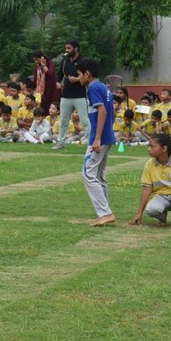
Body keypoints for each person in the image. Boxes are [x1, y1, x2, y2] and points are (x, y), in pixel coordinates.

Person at [77, 57, 116, 227]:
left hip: (99, 138)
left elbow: (102, 111)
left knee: (88, 174)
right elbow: (111, 111)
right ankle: (104, 212)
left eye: (79, 74)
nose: (78, 78)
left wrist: (98, 137)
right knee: (100, 175)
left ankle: (105, 213)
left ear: (87, 74)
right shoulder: (103, 88)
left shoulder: (92, 88)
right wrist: (108, 131)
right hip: (108, 136)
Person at [53, 40, 88, 149]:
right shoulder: (65, 61)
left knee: (85, 120)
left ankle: (90, 142)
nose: (66, 50)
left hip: (80, 95)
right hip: (66, 95)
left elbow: (87, 76)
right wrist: (57, 82)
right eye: (66, 48)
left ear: (76, 48)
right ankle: (61, 142)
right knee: (63, 121)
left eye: (69, 48)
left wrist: (77, 79)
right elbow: (60, 74)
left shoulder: (83, 61)